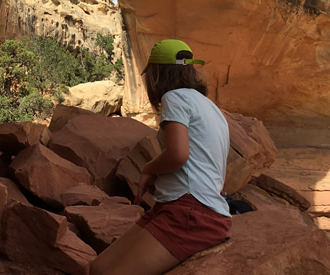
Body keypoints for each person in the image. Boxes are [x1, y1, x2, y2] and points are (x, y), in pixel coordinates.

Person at [89, 39, 231, 275]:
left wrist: (149, 170)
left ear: (155, 74)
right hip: (181, 207)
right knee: (98, 267)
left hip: (190, 214)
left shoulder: (173, 97)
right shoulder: (210, 106)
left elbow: (178, 154)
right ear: (189, 68)